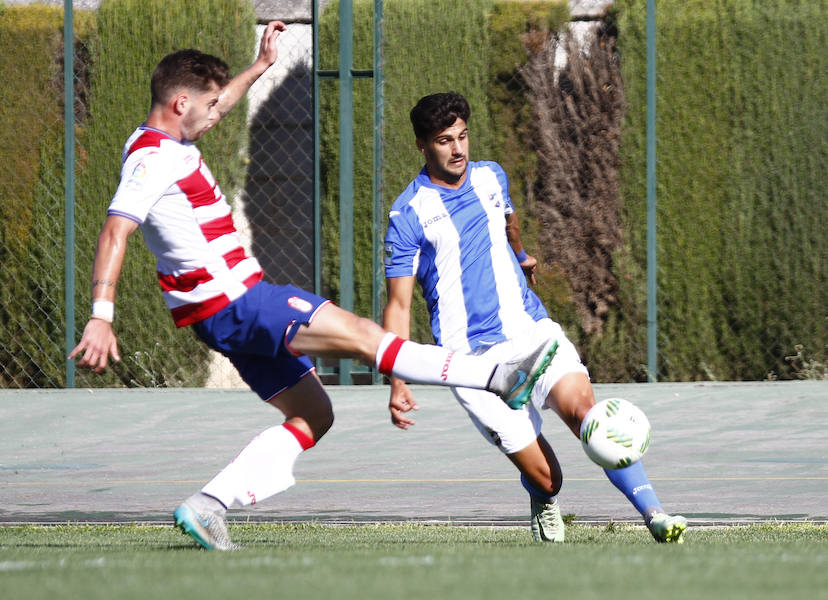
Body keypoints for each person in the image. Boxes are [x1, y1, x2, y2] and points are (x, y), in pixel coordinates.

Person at [68, 25, 559, 551]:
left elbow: (216, 104)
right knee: (367, 337)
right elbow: (117, 228)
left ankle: (208, 505)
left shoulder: (163, 138)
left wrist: (258, 68)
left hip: (217, 318)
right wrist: (102, 313)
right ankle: (499, 377)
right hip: (240, 302)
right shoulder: (154, 159)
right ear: (180, 102)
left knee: (314, 414)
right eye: (210, 105)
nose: (218, 113)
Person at [382, 92, 687, 543]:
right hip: (473, 363)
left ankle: (655, 515)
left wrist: (521, 256)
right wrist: (397, 378)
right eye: (445, 141)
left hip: (531, 330)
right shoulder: (408, 216)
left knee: (589, 415)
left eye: (463, 136)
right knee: (549, 479)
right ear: (422, 145)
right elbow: (399, 306)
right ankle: (544, 500)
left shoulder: (490, 176)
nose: (459, 149)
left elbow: (508, 219)